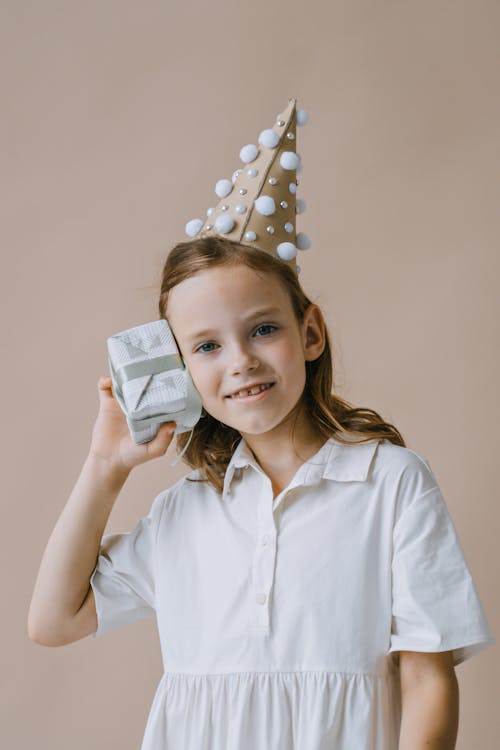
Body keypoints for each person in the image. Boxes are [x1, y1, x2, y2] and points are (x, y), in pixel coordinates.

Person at [28, 100, 494, 749]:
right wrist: (105, 468)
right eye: (207, 346)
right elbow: (54, 620)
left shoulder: (388, 483)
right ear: (179, 367)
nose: (242, 361)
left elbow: (427, 680)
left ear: (309, 331)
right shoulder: (185, 513)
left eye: (264, 329)